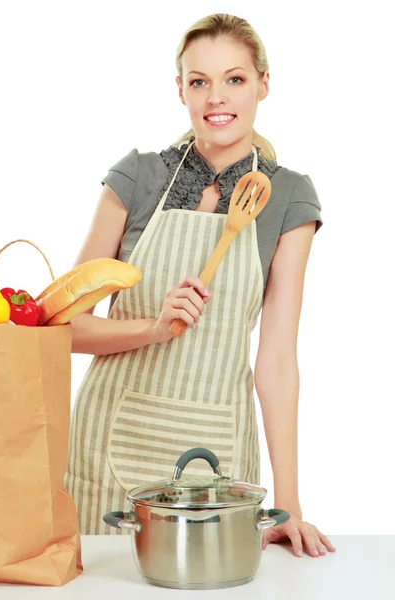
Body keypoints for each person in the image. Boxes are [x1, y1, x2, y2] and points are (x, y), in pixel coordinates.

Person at [65, 13, 335, 558]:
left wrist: (291, 507)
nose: (217, 97)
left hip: (214, 451)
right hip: (109, 441)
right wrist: (153, 327)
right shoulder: (136, 177)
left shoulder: (289, 199)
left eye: (235, 79)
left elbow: (277, 359)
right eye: (199, 81)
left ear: (263, 83)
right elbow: (65, 327)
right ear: (180, 90)